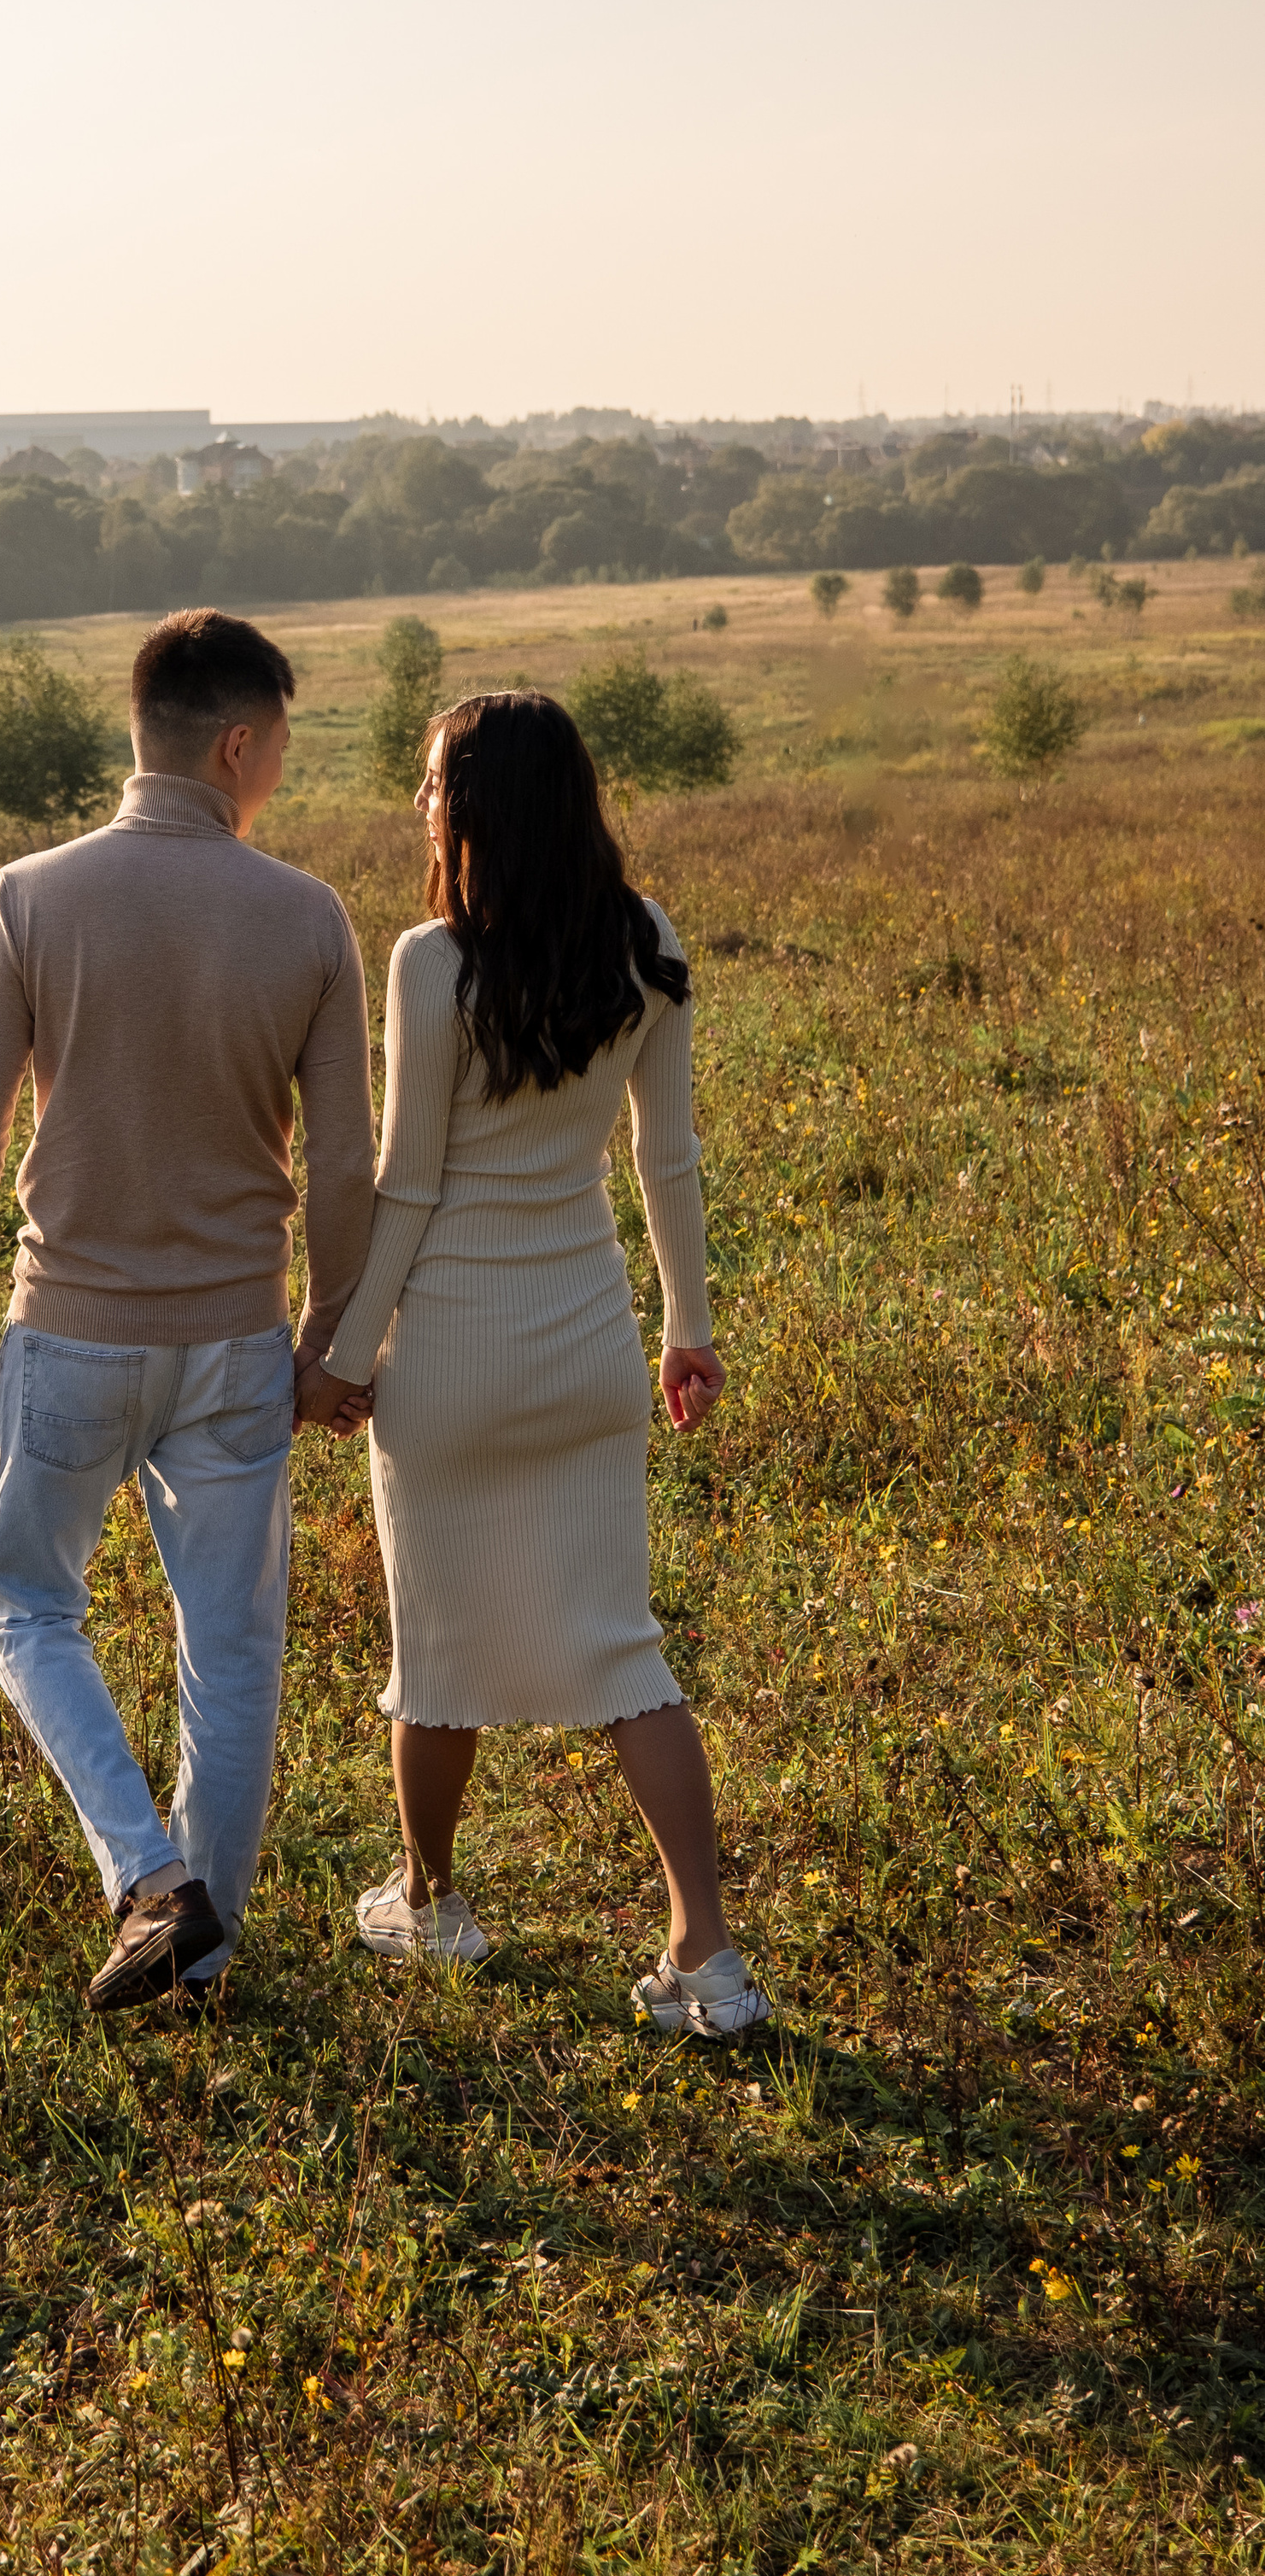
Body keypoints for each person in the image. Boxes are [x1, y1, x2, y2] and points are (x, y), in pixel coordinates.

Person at [0, 609, 375, 2014]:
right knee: (232, 1656)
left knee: (26, 1608)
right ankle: (206, 1963)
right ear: (238, 745)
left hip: (68, 1328)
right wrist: (332, 1339)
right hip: (237, 1342)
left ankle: (146, 1877)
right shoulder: (305, 916)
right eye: (281, 748)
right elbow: (349, 1162)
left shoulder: (28, 896)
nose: (280, 773)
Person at [319, 689, 769, 2038]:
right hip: (588, 1348)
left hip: (446, 1357)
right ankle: (710, 1956)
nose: (419, 804)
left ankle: (430, 1897)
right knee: (622, 1653)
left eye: (433, 783)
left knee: (437, 1651)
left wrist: (341, 1357)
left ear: (482, 806)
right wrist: (688, 1327)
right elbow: (666, 1161)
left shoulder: (428, 962)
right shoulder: (647, 944)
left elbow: (406, 1187)